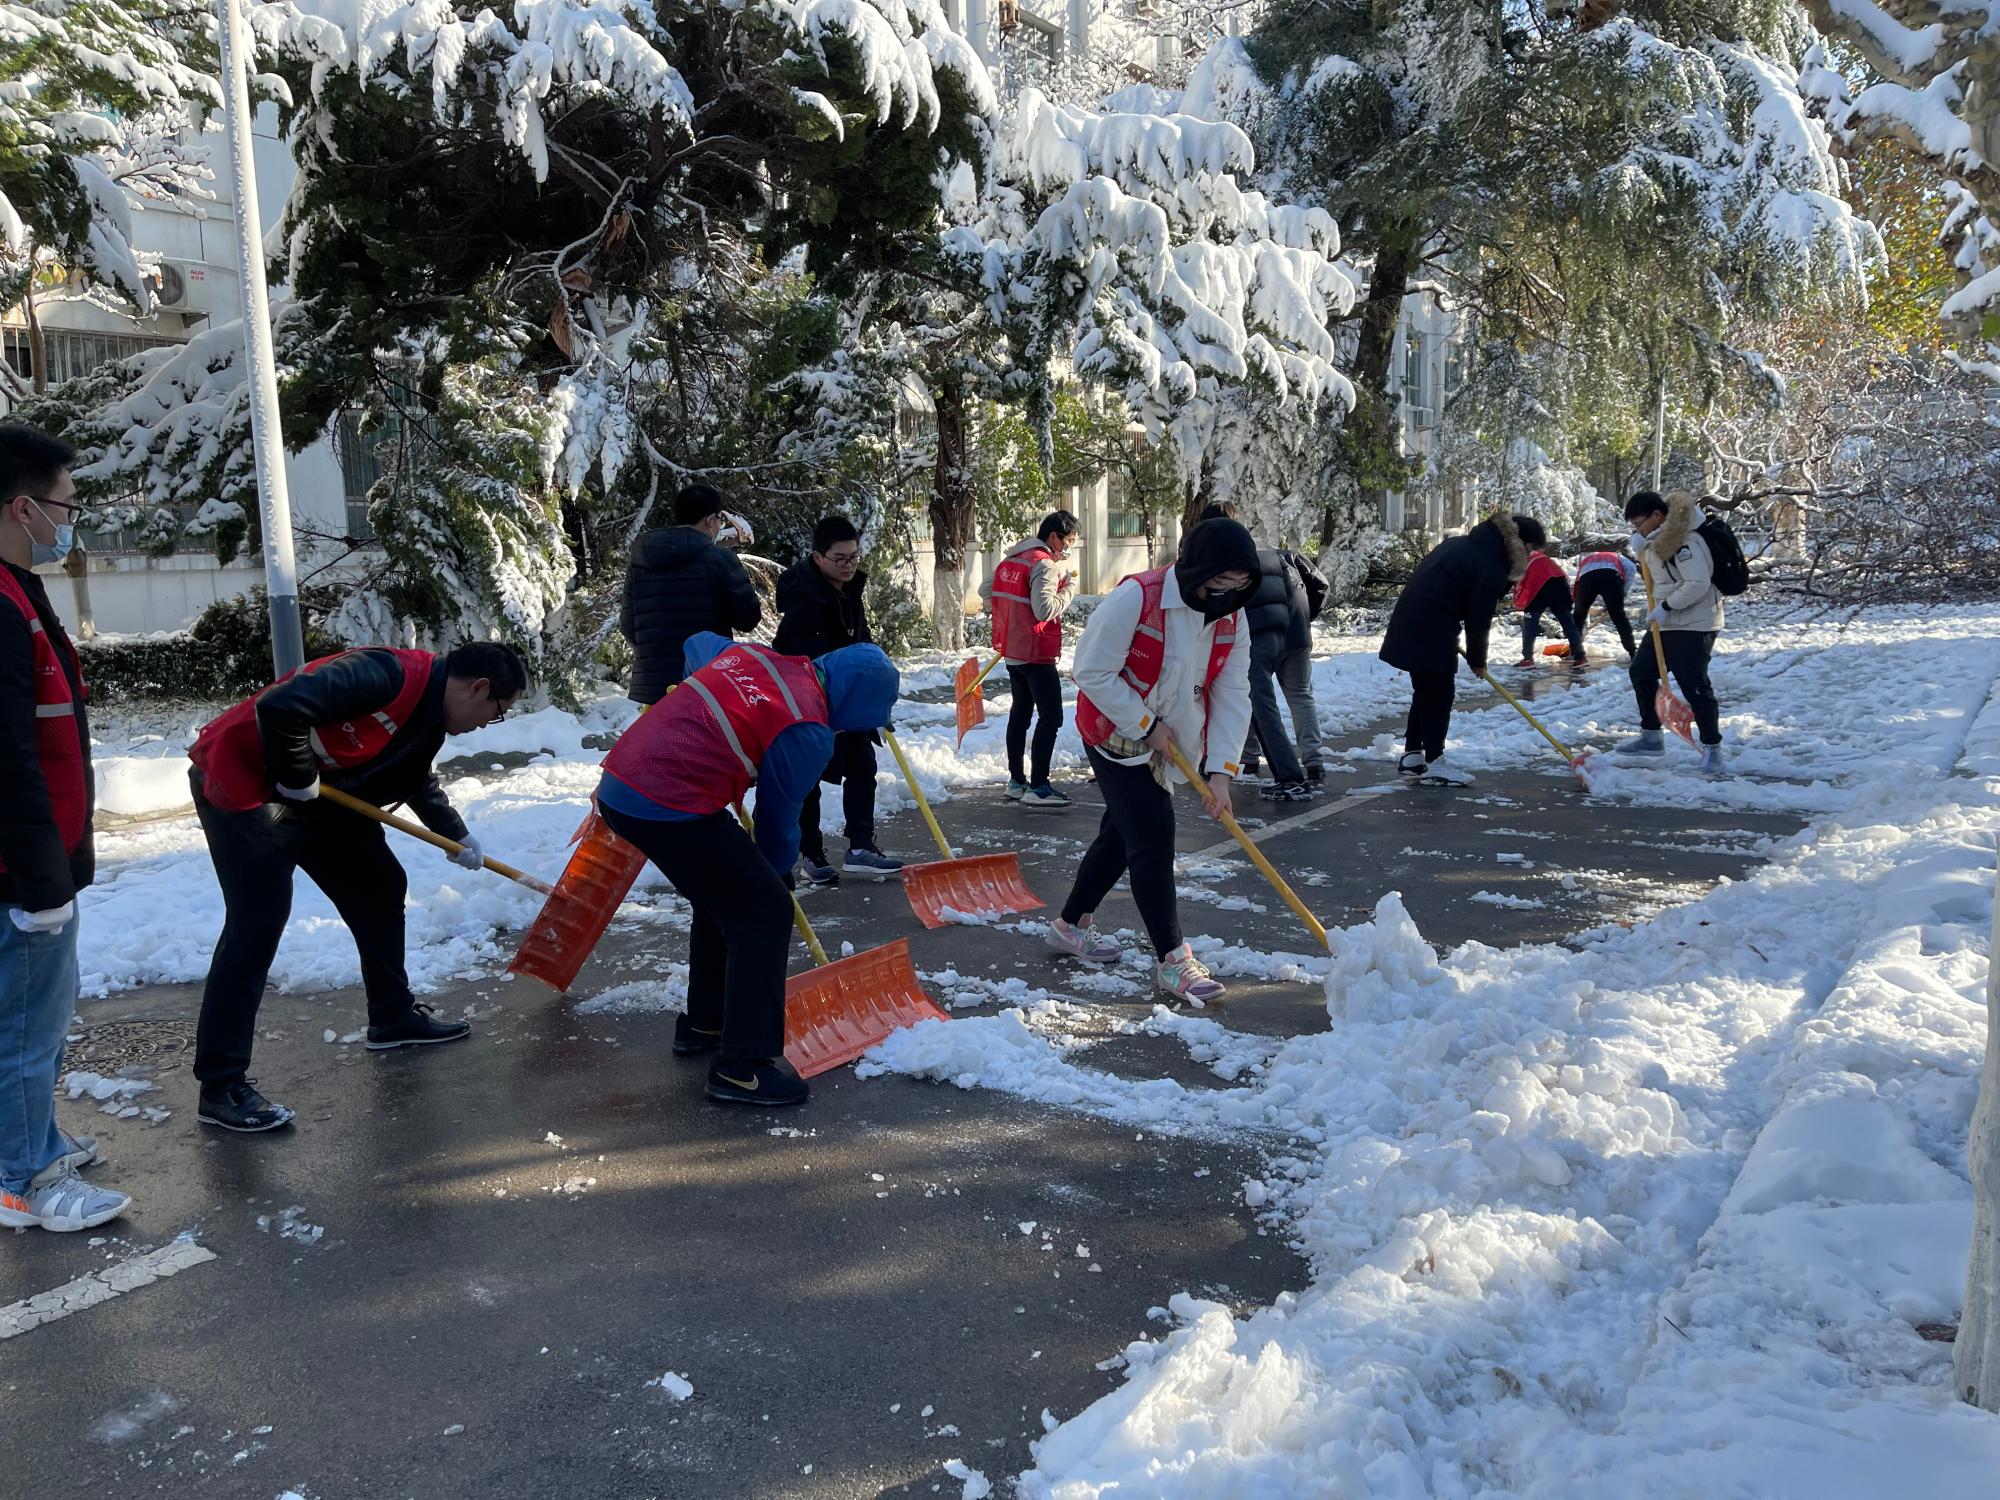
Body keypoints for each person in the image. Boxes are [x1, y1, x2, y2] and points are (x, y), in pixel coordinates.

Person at [186, 641, 529, 1131]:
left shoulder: (431, 713)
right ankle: (220, 1085)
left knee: (379, 885)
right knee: (256, 923)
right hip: (246, 782)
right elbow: (280, 706)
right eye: (498, 712)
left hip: (319, 794)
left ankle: (391, 1017)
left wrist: (455, 834)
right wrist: (297, 773)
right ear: (478, 688)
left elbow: (411, 774)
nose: (487, 723)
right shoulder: (385, 673)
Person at [595, 633, 900, 1107]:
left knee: (724, 897)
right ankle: (743, 1067)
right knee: (763, 913)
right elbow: (779, 821)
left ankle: (706, 1023)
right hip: (667, 800)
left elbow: (696, 643)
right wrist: (776, 878)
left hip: (624, 782)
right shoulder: (807, 730)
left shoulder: (757, 656)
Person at [0, 425, 129, 1233]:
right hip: (19, 868)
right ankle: (24, 1182)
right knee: (22, 1026)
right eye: (64, 506)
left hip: (39, 859)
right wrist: (41, 878)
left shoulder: (18, 590)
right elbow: (6, 755)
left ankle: (36, 1139)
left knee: (38, 1019)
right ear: (22, 508)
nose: (69, 520)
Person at [1048, 517, 1259, 1003]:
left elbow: (1232, 693)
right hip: (1115, 736)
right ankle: (1173, 960)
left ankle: (1068, 925)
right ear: (1196, 569)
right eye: (1220, 582)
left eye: (1240, 585)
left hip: (1171, 742)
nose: (1228, 594)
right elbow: (1091, 670)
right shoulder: (1137, 599)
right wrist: (1145, 725)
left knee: (1123, 834)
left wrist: (1220, 771)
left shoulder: (1232, 617)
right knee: (1152, 835)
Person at [772, 516, 903, 884]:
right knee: (809, 778)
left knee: (862, 765)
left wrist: (874, 692)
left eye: (855, 557)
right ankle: (811, 855)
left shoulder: (847, 592)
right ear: (817, 557)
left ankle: (860, 847)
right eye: (840, 558)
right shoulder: (803, 602)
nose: (849, 566)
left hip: (848, 699)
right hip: (809, 703)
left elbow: (860, 642)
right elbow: (792, 658)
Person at [1377, 511, 1543, 787]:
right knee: (1439, 693)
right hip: (1431, 626)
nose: (1530, 556)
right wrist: (1478, 660)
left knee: (1427, 691)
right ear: (1520, 543)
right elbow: (1479, 618)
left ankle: (1413, 756)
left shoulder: (1465, 545)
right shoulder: (1489, 563)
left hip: (1416, 621)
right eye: (1530, 549)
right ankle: (1436, 762)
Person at [621, 482, 762, 705]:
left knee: (661, 740)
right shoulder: (720, 560)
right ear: (711, 520)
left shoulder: (641, 561)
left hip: (652, 685)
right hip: (706, 681)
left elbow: (628, 625)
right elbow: (748, 618)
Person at [1617, 490, 1726, 774]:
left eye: (1639, 522)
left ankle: (1713, 749)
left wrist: (1666, 606)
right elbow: (1663, 579)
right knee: (1641, 671)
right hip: (1666, 622)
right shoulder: (1658, 541)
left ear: (1657, 515)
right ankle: (1652, 737)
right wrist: (1643, 551)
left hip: (1694, 623)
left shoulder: (1685, 540)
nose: (1637, 528)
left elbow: (1697, 582)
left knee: (1694, 685)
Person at [983, 509, 1079, 809]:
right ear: (1054, 537)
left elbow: (986, 590)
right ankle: (1038, 786)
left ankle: (1016, 782)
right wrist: (1069, 590)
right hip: (1036, 652)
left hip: (1011, 650)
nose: (1069, 548)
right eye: (1069, 541)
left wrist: (1009, 613)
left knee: (1021, 713)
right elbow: (1044, 609)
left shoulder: (1012, 560)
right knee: (1051, 716)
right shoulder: (1044, 564)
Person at [1243, 540, 1329, 800]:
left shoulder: (1242, 568)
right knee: (1301, 695)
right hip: (1299, 638)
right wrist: (1307, 617)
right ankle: (1314, 761)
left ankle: (1249, 758)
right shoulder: (1291, 558)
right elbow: (1321, 585)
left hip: (1261, 640)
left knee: (1254, 698)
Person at [1512, 544, 1583, 667]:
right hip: (1560, 586)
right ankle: (1580, 657)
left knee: (1530, 622)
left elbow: (1519, 584)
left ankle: (1527, 659)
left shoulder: (1520, 560)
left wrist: (1518, 600)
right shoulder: (1542, 557)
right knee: (1567, 622)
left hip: (1539, 588)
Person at [1572, 547, 1639, 658]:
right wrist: (1623, 592)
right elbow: (1631, 568)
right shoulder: (1618, 557)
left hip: (1586, 579)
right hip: (1610, 577)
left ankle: (1576, 652)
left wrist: (1578, 605)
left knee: (1579, 615)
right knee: (1618, 616)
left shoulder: (1587, 559)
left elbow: (1577, 582)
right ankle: (1633, 652)